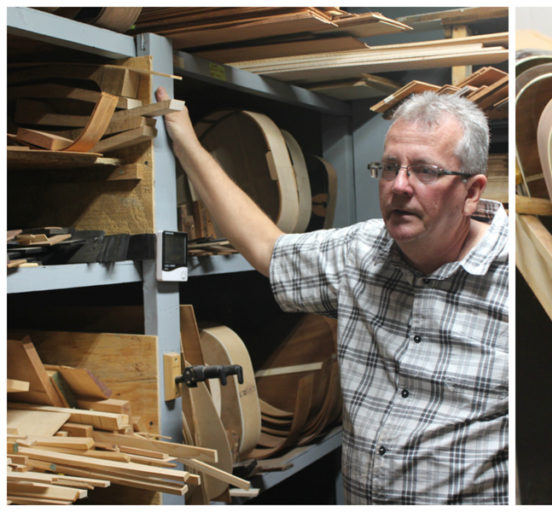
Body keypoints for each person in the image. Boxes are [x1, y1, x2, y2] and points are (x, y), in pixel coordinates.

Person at [156, 87, 509, 504]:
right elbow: (266, 248)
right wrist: (187, 143)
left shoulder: (519, 278)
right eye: (389, 167)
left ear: (472, 192)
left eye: (425, 171)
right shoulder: (360, 252)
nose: (399, 186)